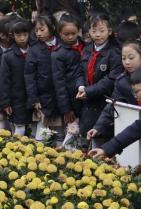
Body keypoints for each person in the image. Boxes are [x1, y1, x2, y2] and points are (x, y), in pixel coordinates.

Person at [76, 12, 122, 145]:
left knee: (103, 142)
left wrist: (89, 91)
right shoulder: (87, 50)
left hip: (104, 103)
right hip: (86, 104)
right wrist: (81, 87)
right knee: (87, 141)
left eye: (101, 30)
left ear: (109, 31)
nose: (97, 34)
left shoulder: (114, 53)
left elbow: (111, 79)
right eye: (93, 30)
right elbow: (80, 71)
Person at [87, 40, 141, 141]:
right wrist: (98, 127)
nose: (127, 62)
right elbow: (113, 105)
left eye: (131, 58)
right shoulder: (121, 81)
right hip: (131, 128)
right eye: (123, 58)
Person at [25, 13, 62, 143]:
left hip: (60, 96)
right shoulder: (34, 50)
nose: (39, 33)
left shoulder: (62, 45)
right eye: (36, 31)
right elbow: (29, 75)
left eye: (42, 29)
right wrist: (34, 98)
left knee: (60, 132)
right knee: (43, 132)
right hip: (43, 97)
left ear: (52, 27)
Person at [51, 13, 84, 145]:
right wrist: (66, 109)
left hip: (87, 96)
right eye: (66, 34)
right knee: (72, 132)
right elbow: (59, 83)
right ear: (59, 33)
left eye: (73, 33)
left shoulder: (86, 47)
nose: (70, 37)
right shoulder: (57, 54)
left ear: (79, 31)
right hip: (71, 100)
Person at [0, 20, 33, 136]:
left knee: (35, 127)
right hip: (17, 98)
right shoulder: (8, 55)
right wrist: (6, 102)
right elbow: (4, 81)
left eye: (25, 35)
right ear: (13, 36)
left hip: (34, 96)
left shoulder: (35, 50)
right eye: (18, 35)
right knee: (20, 126)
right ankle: (16, 152)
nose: (22, 38)